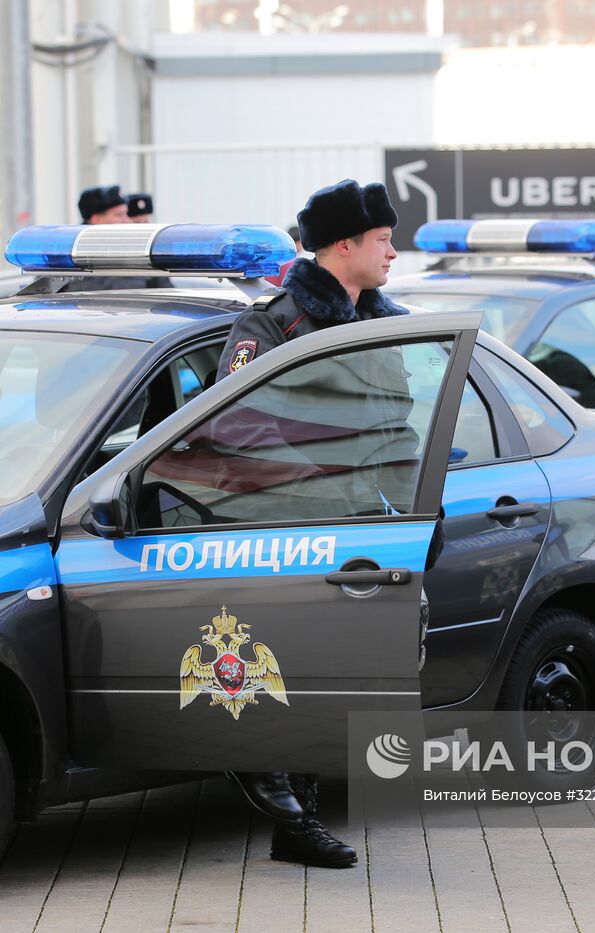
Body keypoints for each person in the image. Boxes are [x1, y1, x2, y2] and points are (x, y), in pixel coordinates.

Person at [217, 179, 409, 870]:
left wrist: (413, 499)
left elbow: (396, 429)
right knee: (288, 672)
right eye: (384, 240)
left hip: (362, 530)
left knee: (331, 675)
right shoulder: (273, 326)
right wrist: (322, 480)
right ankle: (288, 812)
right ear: (345, 245)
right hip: (286, 531)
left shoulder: (386, 323)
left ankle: (296, 822)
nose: (394, 251)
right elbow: (235, 424)